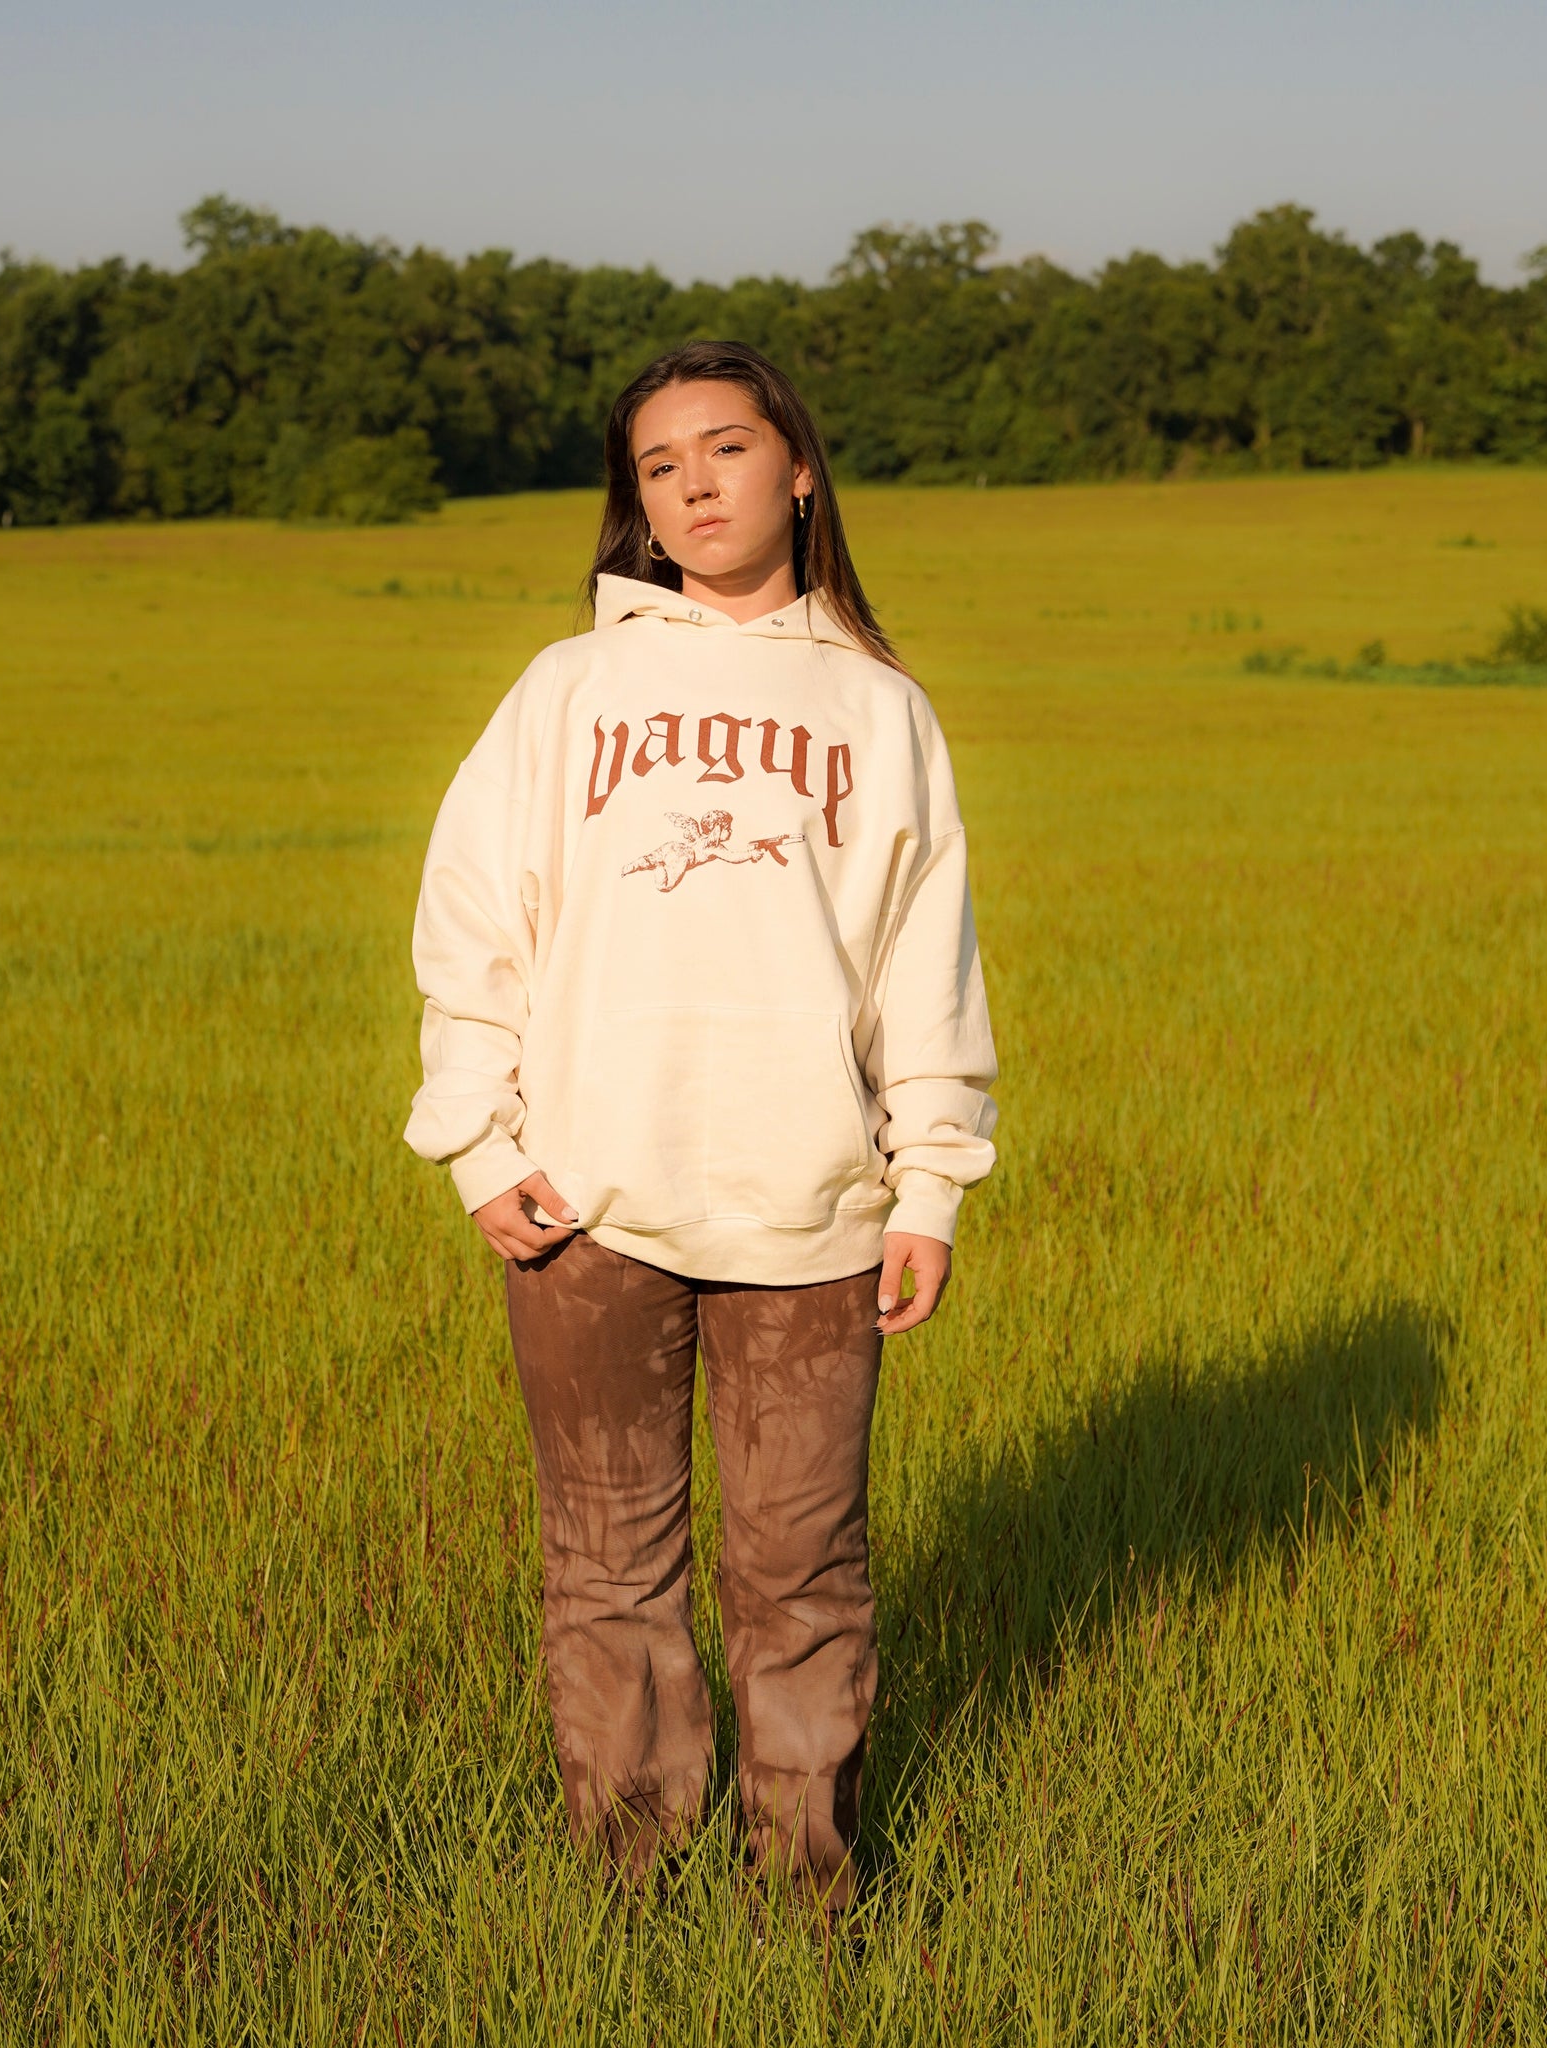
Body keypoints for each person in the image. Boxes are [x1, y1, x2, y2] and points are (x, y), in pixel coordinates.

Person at [404, 340, 998, 1911]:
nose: (695, 486)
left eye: (726, 451)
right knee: (608, 1573)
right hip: (585, 1205)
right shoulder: (569, 689)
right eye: (660, 469)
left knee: (801, 1579)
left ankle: (806, 1894)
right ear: (640, 511)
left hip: (810, 1208)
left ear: (799, 470)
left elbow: (919, 961)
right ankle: (632, 1890)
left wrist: (927, 1185)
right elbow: (475, 922)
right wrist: (477, 1138)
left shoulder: (876, 710)